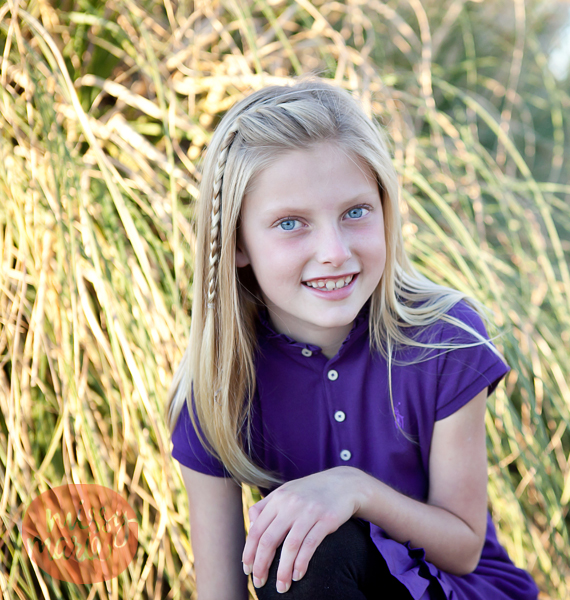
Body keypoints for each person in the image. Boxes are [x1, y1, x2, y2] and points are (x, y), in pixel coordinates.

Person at [167, 76, 540, 600]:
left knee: (319, 545)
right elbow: (221, 592)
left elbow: (462, 547)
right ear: (237, 243)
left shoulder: (444, 339)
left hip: (457, 591)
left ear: (385, 210)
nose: (335, 252)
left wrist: (354, 490)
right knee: (295, 554)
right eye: (291, 223)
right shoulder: (217, 388)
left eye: (355, 212)